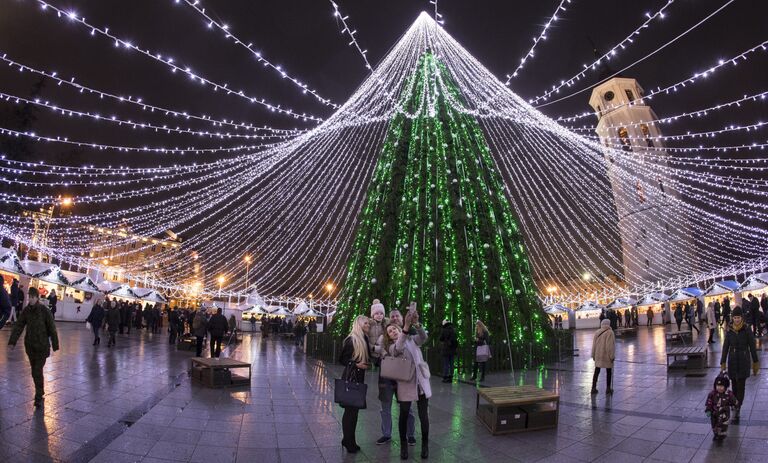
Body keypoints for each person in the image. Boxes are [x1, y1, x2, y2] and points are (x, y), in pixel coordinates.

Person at [382, 310, 431, 460]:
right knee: (403, 414)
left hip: (421, 381)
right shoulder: (392, 347)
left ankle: (425, 445)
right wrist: (405, 328)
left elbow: (423, 337)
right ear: (388, 336)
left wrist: (416, 324)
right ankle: (403, 445)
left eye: (394, 329)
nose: (393, 332)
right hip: (405, 384)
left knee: (424, 416)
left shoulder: (412, 340)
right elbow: (398, 347)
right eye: (390, 331)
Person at [8, 287, 59, 407]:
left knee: (37, 371)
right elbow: (19, 326)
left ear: (37, 297)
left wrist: (55, 344)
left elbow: (52, 327)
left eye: (32, 297)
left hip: (42, 347)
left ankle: (38, 395)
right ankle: (40, 391)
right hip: (30, 347)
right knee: (34, 371)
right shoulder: (26, 311)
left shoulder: (44, 310)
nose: (30, 299)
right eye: (29, 297)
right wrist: (12, 341)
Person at [374, 309, 415, 446]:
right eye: (392, 316)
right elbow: (378, 353)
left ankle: (410, 434)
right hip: (386, 377)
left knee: (407, 408)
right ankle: (386, 434)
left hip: (403, 378)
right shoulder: (383, 337)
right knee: (385, 408)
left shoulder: (409, 334)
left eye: (397, 316)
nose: (395, 318)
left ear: (401, 318)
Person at [720, 306, 759, 423]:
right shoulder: (730, 330)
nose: (737, 319)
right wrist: (723, 361)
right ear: (733, 318)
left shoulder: (747, 329)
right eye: (735, 317)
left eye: (738, 317)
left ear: (741, 318)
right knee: (734, 385)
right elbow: (725, 346)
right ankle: (735, 401)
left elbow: (752, 346)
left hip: (743, 360)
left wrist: (755, 362)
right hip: (732, 360)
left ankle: (738, 405)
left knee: (741, 385)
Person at [338, 315, 370, 454]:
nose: (368, 325)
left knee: (354, 412)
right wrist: (357, 365)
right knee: (350, 412)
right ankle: (347, 440)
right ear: (359, 324)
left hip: (358, 379)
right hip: (351, 379)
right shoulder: (352, 340)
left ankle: (350, 440)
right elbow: (342, 359)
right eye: (366, 323)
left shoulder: (364, 339)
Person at [705, 374, 738, 441]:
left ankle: (721, 435)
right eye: (717, 386)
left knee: (723, 426)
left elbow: (734, 400)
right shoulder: (712, 394)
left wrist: (735, 405)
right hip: (714, 414)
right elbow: (709, 402)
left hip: (724, 414)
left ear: (725, 386)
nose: (719, 388)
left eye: (721, 386)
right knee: (714, 425)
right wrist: (708, 409)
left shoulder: (729, 394)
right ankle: (716, 434)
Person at [591, 319, 615, 395]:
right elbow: (610, 346)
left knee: (597, 371)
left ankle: (593, 388)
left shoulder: (597, 332)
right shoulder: (610, 332)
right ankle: (608, 388)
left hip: (598, 355)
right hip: (606, 356)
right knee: (608, 371)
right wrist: (612, 356)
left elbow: (593, 345)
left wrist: (593, 355)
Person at [368, 299, 387, 364]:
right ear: (373, 315)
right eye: (376, 313)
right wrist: (373, 348)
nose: (379, 315)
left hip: (382, 354)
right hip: (371, 353)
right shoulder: (369, 324)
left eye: (381, 313)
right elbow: (365, 339)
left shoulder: (385, 324)